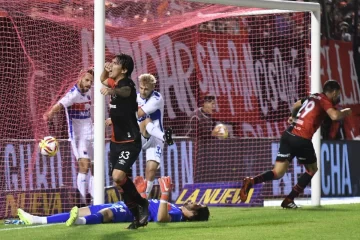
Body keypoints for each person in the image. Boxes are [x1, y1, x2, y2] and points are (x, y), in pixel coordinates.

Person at [240, 80, 352, 208]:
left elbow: (296, 104)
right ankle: (289, 199)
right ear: (333, 92)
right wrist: (346, 112)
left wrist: (293, 117)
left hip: (288, 134)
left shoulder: (313, 96)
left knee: (277, 172)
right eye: (338, 94)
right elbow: (334, 116)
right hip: (302, 138)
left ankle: (251, 181)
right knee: (312, 169)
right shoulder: (324, 100)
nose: (338, 97)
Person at [17, 176, 210, 228]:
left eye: (198, 206)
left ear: (193, 215)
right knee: (83, 209)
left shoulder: (177, 216)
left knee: (107, 215)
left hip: (131, 211)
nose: (195, 202)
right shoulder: (177, 207)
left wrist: (166, 193)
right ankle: (37, 220)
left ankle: (79, 223)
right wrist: (140, 193)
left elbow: (160, 218)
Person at [100, 53, 148, 228]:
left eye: (114, 63)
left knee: (118, 176)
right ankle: (137, 218)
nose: (111, 65)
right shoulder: (114, 82)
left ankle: (143, 204)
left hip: (130, 140)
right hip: (115, 141)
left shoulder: (127, 84)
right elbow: (102, 81)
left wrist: (112, 90)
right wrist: (105, 72)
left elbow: (124, 92)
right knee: (119, 183)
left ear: (125, 69)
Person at [106, 73, 174, 199]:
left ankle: (144, 199)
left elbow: (140, 113)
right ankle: (165, 137)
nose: (143, 91)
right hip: (139, 136)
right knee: (120, 173)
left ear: (153, 87)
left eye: (146, 89)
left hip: (155, 138)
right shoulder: (135, 98)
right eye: (141, 88)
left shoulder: (157, 98)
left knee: (151, 170)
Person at [43, 68, 94, 205]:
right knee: (84, 165)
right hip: (78, 136)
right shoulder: (73, 94)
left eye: (91, 81)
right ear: (80, 79)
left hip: (92, 134)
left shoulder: (88, 92)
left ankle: (95, 200)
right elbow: (59, 105)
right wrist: (49, 114)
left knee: (95, 167)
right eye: (87, 80)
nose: (89, 83)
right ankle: (82, 202)